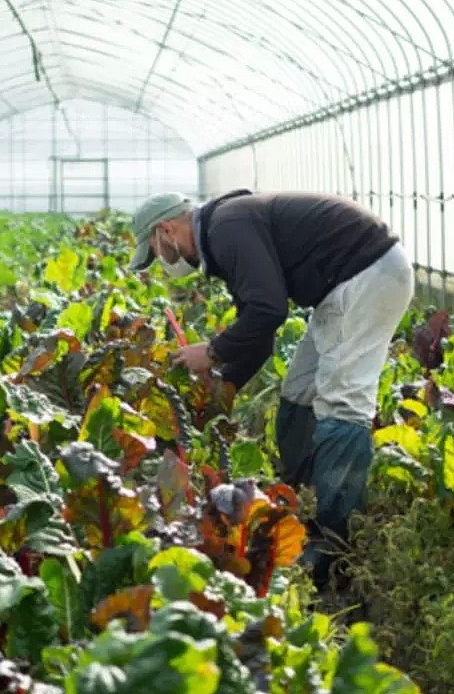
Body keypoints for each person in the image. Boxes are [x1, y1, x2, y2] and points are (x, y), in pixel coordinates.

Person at [128, 188, 415, 586]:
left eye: (156, 250)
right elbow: (260, 328)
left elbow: (269, 309)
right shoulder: (221, 233)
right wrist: (226, 384)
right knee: (299, 392)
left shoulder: (227, 227)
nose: (162, 260)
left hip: (368, 275)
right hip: (343, 285)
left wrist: (211, 352)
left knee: (342, 403)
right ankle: (304, 494)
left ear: (166, 230)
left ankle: (334, 540)